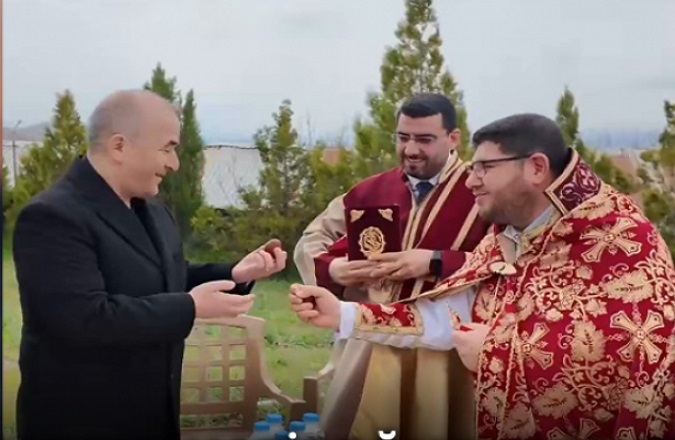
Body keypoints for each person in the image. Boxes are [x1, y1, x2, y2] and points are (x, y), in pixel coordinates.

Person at [290, 113, 675, 440]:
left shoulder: (621, 239)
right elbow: (453, 314)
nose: (471, 181)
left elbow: (640, 357)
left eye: (485, 168)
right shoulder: (506, 235)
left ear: (536, 167)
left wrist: (495, 354)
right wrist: (343, 314)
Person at [12, 89, 288, 440]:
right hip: (82, 420)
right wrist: (190, 307)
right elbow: (82, 319)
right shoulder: (52, 217)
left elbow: (166, 277)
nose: (174, 164)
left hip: (152, 416)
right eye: (167, 148)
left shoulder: (154, 212)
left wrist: (235, 273)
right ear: (119, 146)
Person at [293, 93, 490, 440]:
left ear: (453, 138)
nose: (411, 149)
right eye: (403, 137)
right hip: (372, 342)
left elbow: (512, 259)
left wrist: (435, 261)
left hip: (449, 348)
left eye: (425, 139)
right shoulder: (373, 189)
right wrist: (333, 270)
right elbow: (312, 240)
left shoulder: (481, 192)